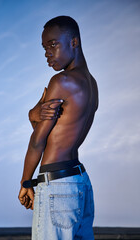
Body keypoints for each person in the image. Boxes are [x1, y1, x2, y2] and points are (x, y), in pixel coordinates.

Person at [18, 16, 98, 240]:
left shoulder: (61, 81)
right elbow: (53, 130)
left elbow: (38, 140)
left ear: (74, 42)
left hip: (58, 186)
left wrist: (26, 182)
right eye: (44, 48)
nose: (47, 53)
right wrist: (34, 114)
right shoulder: (92, 84)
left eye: (53, 44)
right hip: (79, 182)